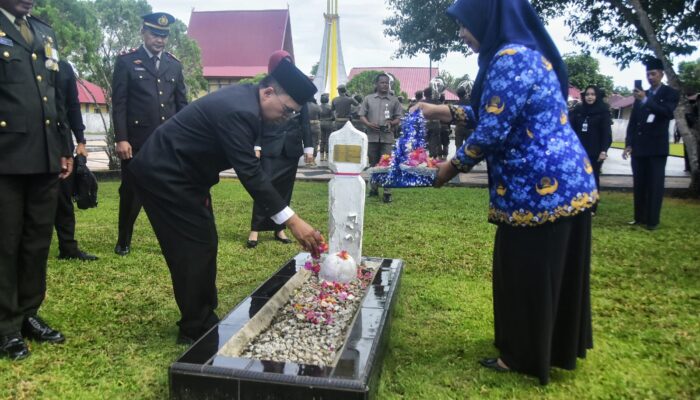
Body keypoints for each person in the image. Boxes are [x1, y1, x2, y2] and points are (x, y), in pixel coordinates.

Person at [412, 0, 598, 385]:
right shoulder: (523, 54)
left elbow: (492, 130)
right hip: (560, 182)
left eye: (465, 25)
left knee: (527, 270)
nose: (462, 34)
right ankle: (541, 346)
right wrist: (438, 110)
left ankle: (524, 356)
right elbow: (493, 112)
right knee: (538, 269)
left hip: (540, 188)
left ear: (486, 19)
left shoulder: (510, 58)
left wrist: (450, 168)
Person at [127, 57, 324, 344]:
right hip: (164, 176)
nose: (287, 117)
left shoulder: (250, 103)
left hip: (188, 177)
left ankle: (203, 317)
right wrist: (293, 222)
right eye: (286, 110)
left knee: (204, 242)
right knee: (191, 248)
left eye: (293, 114)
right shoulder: (239, 110)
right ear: (268, 92)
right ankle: (195, 329)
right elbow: (251, 174)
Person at [0, 0, 73, 360]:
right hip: (5, 156)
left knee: (36, 240)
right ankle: (5, 326)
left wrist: (63, 145)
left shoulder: (43, 31)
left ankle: (28, 313)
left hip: (44, 154)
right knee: (5, 243)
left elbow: (55, 93)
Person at [111, 12, 188, 256]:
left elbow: (181, 105)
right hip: (137, 142)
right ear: (143, 32)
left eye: (164, 35)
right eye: (155, 34)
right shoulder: (126, 62)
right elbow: (120, 103)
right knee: (131, 192)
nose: (160, 40)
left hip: (168, 143)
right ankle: (124, 239)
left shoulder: (174, 64)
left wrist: (186, 138)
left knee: (170, 192)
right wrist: (121, 138)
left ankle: (172, 239)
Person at [247, 50, 314, 248]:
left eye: (289, 62)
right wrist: (256, 144)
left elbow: (305, 121)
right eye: (282, 63)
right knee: (264, 187)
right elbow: (257, 118)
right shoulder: (266, 87)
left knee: (285, 190)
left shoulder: (297, 89)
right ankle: (255, 229)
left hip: (291, 148)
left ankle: (280, 228)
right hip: (270, 145)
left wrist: (309, 147)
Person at [623, 57, 680, 230]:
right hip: (639, 148)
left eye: (653, 74)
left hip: (656, 148)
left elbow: (667, 113)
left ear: (661, 74)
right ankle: (639, 217)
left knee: (655, 185)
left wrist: (647, 100)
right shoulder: (641, 95)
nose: (650, 77)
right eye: (648, 74)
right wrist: (629, 144)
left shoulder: (670, 93)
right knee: (639, 184)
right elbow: (633, 122)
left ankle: (652, 220)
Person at [54, 60, 98, 261]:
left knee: (64, 199)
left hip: (59, 142)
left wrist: (80, 140)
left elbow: (72, 105)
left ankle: (68, 249)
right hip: (25, 143)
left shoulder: (63, 67)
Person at [359, 73, 404, 203]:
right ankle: (373, 189)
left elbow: (399, 117)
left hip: (387, 137)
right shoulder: (368, 99)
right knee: (373, 164)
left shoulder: (394, 100)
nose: (385, 85)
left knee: (386, 164)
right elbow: (361, 115)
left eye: (387, 83)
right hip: (372, 137)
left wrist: (392, 123)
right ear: (376, 84)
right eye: (382, 83)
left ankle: (387, 192)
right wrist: (368, 124)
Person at [570, 85, 612, 215]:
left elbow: (606, 133)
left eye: (593, 94)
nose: (590, 97)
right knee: (579, 178)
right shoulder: (578, 110)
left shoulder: (603, 111)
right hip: (579, 151)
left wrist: (604, 150)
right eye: (588, 94)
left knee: (593, 178)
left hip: (595, 152)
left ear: (597, 96)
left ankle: (592, 207)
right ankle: (579, 204)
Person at [318, 93, 335, 161]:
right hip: (329, 124)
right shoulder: (330, 107)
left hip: (320, 123)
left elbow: (317, 117)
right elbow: (333, 117)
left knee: (322, 140)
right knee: (328, 139)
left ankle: (321, 156)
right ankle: (327, 156)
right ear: (327, 100)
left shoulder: (318, 107)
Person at [307, 97, 321, 167]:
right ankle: (313, 160)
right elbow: (320, 115)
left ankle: (307, 160)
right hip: (315, 125)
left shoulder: (304, 106)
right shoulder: (316, 106)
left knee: (307, 143)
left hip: (306, 126)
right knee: (315, 143)